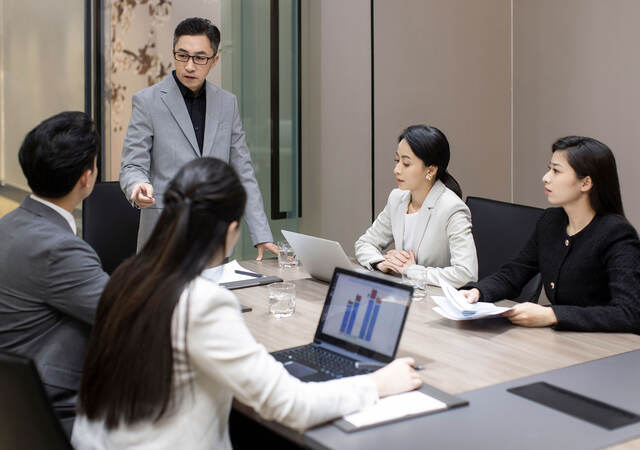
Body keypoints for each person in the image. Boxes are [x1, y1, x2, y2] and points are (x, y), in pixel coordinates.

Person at [72, 158, 421, 449]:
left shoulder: (127, 278)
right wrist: (377, 383)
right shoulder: (203, 303)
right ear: (231, 231)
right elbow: (291, 406)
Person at [119, 17, 277, 259]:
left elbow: (243, 172)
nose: (190, 66)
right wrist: (136, 186)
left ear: (214, 61)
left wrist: (262, 235)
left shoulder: (227, 103)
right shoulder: (147, 101)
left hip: (215, 239)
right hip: (164, 238)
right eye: (182, 55)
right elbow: (132, 165)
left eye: (199, 58)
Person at [0, 111, 109, 435]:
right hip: (56, 411)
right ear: (86, 177)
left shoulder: (8, 224)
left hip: (15, 407)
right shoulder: (58, 250)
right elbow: (130, 315)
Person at [461, 136, 640, 332]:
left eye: (556, 171)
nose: (546, 177)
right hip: (565, 339)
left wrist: (552, 314)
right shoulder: (551, 221)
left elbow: (628, 313)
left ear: (586, 183)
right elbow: (515, 272)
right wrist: (478, 291)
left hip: (607, 350)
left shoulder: (616, 234)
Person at [355, 125, 478, 288]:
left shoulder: (452, 208)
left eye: (406, 163)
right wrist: (381, 262)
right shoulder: (397, 198)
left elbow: (466, 273)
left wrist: (412, 270)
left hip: (435, 300)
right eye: (397, 161)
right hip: (404, 293)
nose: (396, 170)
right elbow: (365, 243)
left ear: (431, 170)